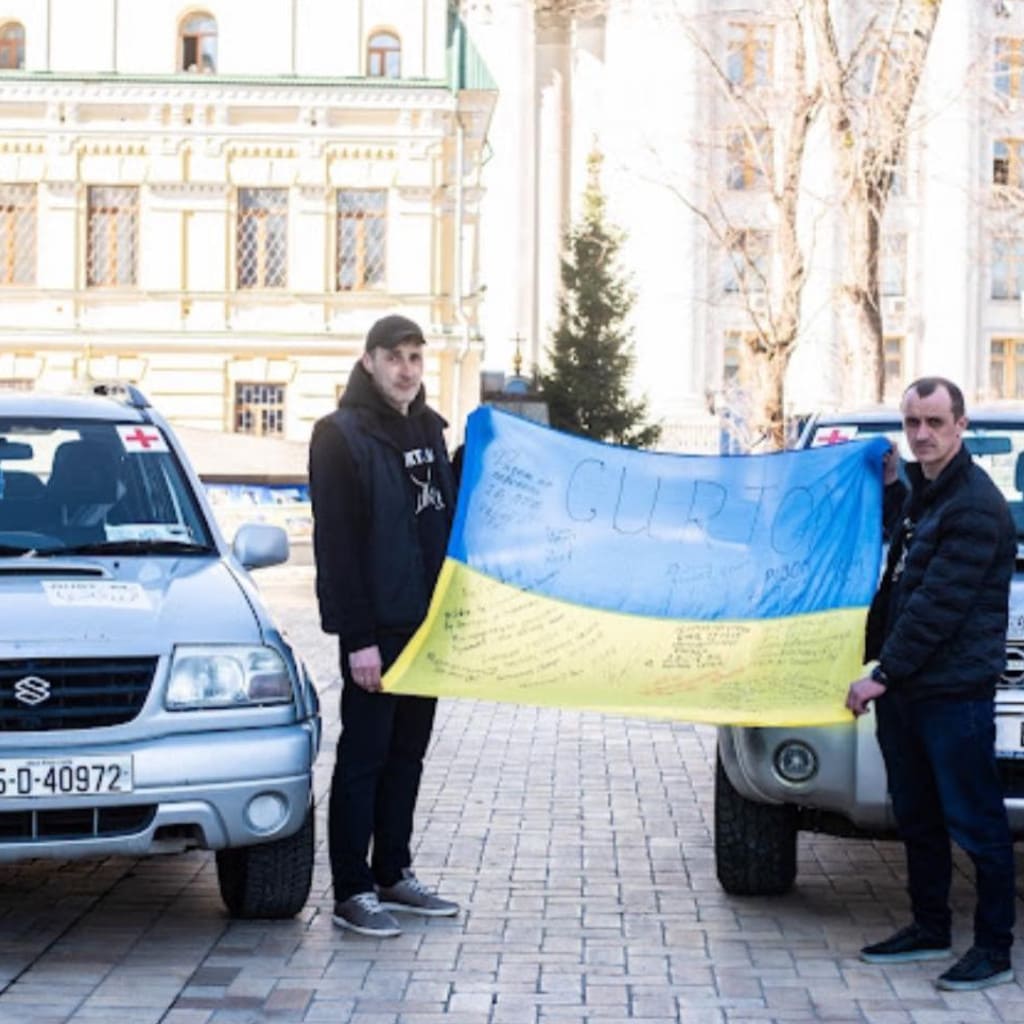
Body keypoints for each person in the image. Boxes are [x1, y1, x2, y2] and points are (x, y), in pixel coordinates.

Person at [846, 376, 1017, 991]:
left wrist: (881, 675)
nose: (921, 434)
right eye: (913, 422)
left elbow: (935, 608)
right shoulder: (928, 489)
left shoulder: (974, 504)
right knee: (918, 817)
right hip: (911, 693)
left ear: (961, 426)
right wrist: (893, 488)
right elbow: (906, 547)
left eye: (935, 423)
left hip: (952, 695)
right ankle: (929, 927)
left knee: (977, 825)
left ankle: (994, 951)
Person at [309, 313, 459, 937]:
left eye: (415, 358)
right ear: (368, 361)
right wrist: (358, 639)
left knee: (408, 756)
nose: (406, 370)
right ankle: (352, 890)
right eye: (394, 357)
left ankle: (393, 871)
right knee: (364, 757)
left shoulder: (428, 430)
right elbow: (337, 548)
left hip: (427, 628)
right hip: (378, 631)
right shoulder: (338, 436)